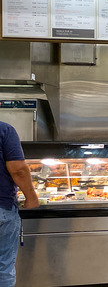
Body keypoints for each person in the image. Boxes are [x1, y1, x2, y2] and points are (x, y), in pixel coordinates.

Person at [0, 121, 39, 286]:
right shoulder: (4, 130)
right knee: (4, 267)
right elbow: (18, 170)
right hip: (2, 207)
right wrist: (31, 198)